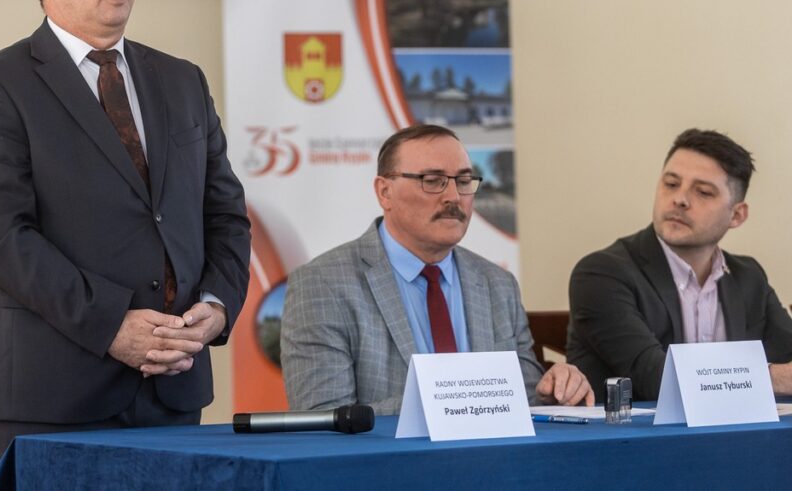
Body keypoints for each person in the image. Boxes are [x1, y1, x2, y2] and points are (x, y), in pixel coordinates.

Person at [0, 0, 250, 463]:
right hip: (51, 395)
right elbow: (0, 239)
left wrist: (215, 306)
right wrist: (112, 325)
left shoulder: (182, 81)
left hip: (173, 389)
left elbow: (225, 215)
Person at [281, 124, 593, 415]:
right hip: (389, 458)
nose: (454, 197)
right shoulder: (322, 285)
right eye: (432, 181)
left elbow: (524, 400)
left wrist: (555, 391)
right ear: (384, 192)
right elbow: (324, 418)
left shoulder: (498, 284)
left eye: (464, 181)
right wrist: (452, 399)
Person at [568, 128, 792, 401]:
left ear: (736, 215)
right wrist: (767, 377)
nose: (680, 199)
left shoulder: (748, 277)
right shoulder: (601, 274)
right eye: (671, 184)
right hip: (637, 429)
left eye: (703, 192)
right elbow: (656, 379)